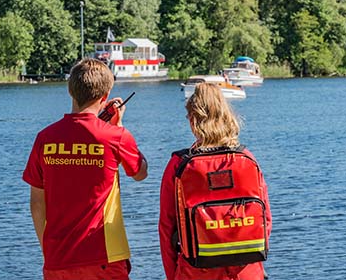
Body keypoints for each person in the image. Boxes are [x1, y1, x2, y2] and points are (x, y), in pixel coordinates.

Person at [23, 58, 148, 280]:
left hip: (57, 261)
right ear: (105, 97)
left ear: (70, 91)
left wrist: (49, 252)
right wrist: (118, 126)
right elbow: (140, 172)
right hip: (104, 257)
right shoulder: (115, 136)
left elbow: (36, 205)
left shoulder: (45, 138)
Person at [159, 82, 272, 280]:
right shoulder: (247, 159)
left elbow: (167, 229)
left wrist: (173, 275)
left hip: (194, 273)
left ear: (194, 120)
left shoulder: (178, 165)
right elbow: (265, 221)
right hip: (246, 272)